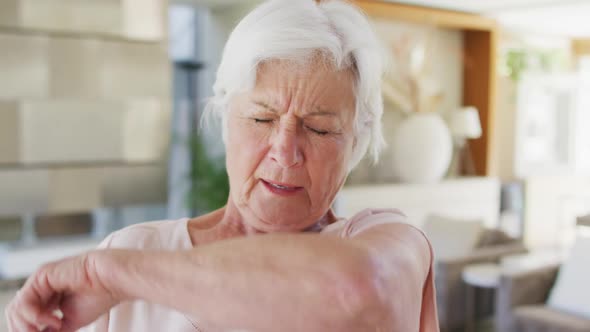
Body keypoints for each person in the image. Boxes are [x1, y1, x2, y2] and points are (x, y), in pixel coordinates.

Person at [5, 0, 439, 331]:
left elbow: (354, 290)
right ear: (224, 119)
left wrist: (107, 273)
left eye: (320, 129)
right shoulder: (136, 247)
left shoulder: (387, 241)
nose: (284, 151)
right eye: (261, 119)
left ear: (357, 142)